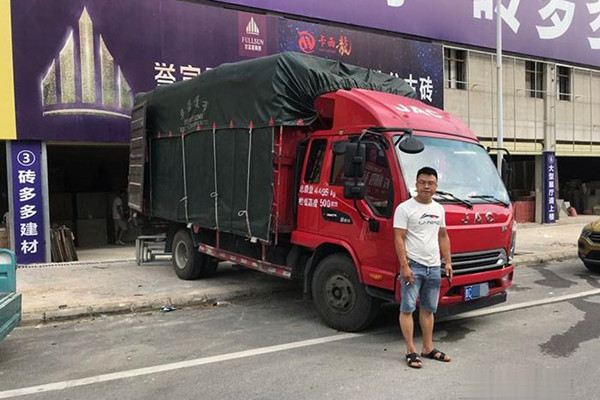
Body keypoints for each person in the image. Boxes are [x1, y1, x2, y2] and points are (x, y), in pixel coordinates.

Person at [393, 166, 453, 369]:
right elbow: (399, 238)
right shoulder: (405, 208)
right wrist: (405, 266)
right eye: (423, 183)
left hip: (434, 266)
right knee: (408, 308)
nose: (427, 186)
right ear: (416, 184)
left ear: (436, 186)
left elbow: (443, 235)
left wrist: (448, 261)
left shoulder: (439, 209)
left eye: (431, 183)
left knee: (428, 309)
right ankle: (410, 350)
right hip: (414, 266)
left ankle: (428, 348)